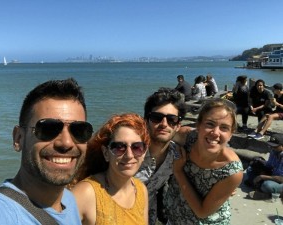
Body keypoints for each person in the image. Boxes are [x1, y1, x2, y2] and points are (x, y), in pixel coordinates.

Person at [0, 78, 93, 225]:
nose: (66, 142)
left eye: (79, 130)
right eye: (48, 128)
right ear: (18, 138)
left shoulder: (68, 200)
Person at [165, 98, 244, 224]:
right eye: (210, 124)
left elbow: (202, 212)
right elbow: (160, 134)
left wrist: (178, 172)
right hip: (174, 216)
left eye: (224, 128)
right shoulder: (188, 138)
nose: (215, 133)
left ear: (231, 133)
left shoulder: (231, 171)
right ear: (198, 125)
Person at [71, 113, 150, 225]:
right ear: (106, 153)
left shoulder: (141, 190)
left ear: (144, 152)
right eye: (119, 147)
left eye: (137, 147)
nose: (129, 155)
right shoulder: (86, 193)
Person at [135, 87, 188, 225]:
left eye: (172, 119)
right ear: (146, 120)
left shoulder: (177, 155)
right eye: (156, 118)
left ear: (178, 126)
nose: (164, 124)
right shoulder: (130, 152)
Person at [247, 133, 283, 200]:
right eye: (271, 145)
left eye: (275, 146)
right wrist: (262, 171)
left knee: (267, 185)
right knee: (250, 169)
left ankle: (269, 194)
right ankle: (261, 188)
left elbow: (281, 179)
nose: (272, 148)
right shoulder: (274, 151)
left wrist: (263, 177)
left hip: (280, 180)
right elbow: (269, 166)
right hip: (274, 175)